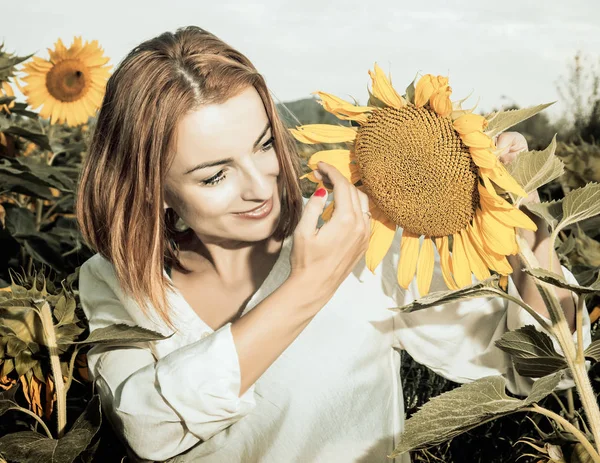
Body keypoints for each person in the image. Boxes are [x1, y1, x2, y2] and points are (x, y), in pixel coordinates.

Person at [76, 26, 591, 463]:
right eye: (214, 176)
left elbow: (535, 368)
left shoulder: (363, 243)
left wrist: (528, 233)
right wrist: (311, 284)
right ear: (152, 188)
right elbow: (148, 427)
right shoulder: (115, 280)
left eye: (262, 146)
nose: (260, 186)